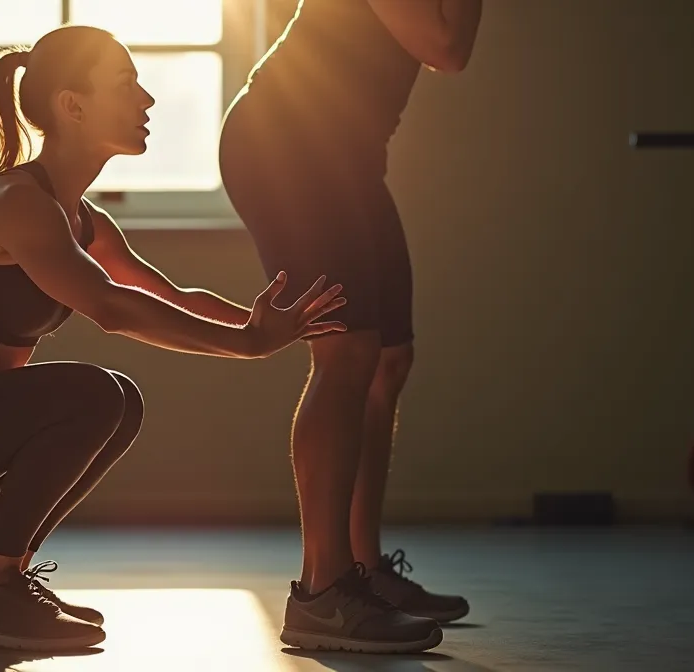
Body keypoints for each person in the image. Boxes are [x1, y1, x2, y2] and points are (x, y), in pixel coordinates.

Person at [0, 24, 348, 653]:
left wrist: (262, 326)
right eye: (127, 84)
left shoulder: (81, 220)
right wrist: (245, 345)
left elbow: (169, 297)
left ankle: (4, 585)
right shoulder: (17, 203)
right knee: (94, 394)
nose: (147, 99)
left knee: (121, 401)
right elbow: (110, 307)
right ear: (72, 105)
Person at [218, 0, 484, 655]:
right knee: (346, 352)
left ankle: (363, 571)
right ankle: (323, 592)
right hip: (286, 144)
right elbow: (446, 48)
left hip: (348, 161)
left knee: (389, 358)